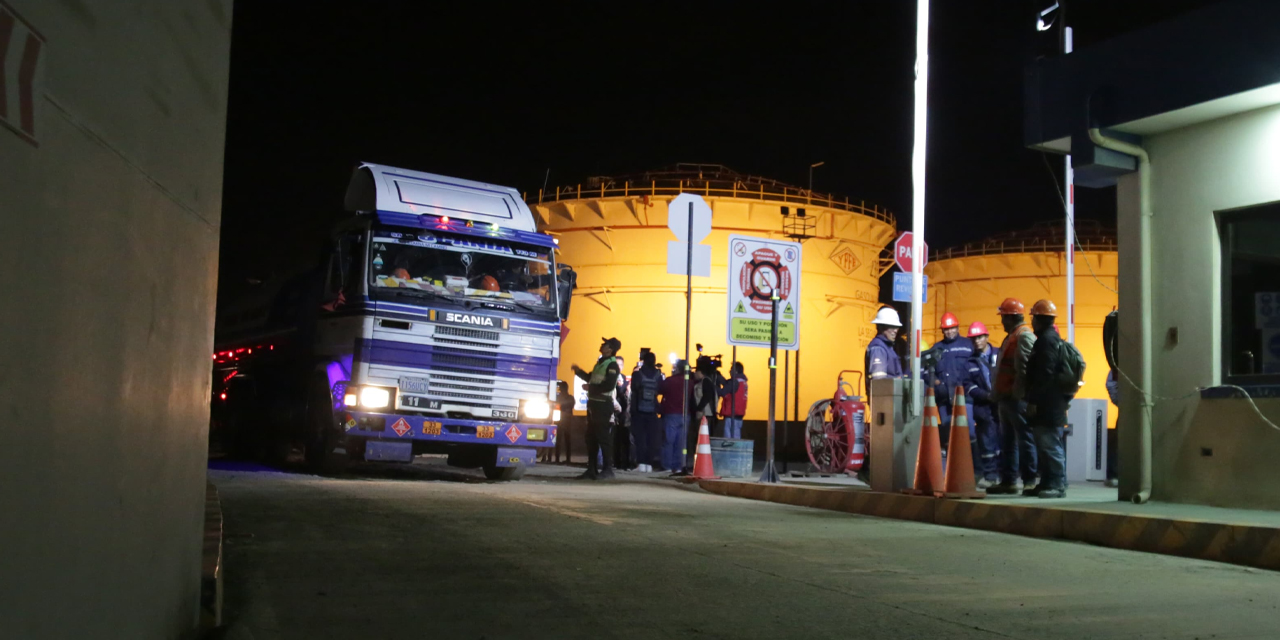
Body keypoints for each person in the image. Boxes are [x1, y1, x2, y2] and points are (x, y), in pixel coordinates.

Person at [987, 298, 1039, 495]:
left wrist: (1020, 394)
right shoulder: (1012, 336)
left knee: (1024, 440)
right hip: (1006, 398)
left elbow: (1026, 369)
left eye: (1003, 317)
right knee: (1008, 441)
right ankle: (1008, 481)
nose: (1001, 321)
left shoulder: (1023, 336)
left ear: (1011, 317)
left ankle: (1029, 480)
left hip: (1016, 399)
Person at [1025, 300, 1070, 499]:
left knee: (1050, 444)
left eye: (1033, 317)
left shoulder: (1047, 341)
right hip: (1050, 402)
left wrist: (1034, 401)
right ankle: (1047, 482)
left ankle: (1057, 484)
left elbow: (1044, 374)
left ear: (1039, 319)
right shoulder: (1047, 339)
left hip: (1048, 404)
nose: (1032, 321)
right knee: (1045, 445)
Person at [570, 337, 622, 480]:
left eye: (605, 344)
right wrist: (579, 372)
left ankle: (607, 470)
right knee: (591, 437)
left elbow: (609, 386)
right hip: (594, 404)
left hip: (602, 405)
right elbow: (592, 378)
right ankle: (591, 470)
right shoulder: (601, 363)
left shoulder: (612, 365)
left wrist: (590, 387)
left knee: (603, 438)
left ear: (610, 349)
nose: (602, 345)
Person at [963, 322, 1001, 488]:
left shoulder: (999, 355)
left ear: (987, 337)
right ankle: (990, 475)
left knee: (1003, 441)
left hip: (1001, 405)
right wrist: (986, 396)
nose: (977, 341)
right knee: (986, 443)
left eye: (979, 337)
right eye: (974, 339)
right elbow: (968, 386)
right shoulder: (970, 362)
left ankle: (1005, 476)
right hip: (983, 407)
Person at [931, 312, 974, 452]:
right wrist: (936, 383)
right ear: (942, 330)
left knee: (968, 432)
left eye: (952, 328)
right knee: (947, 432)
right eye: (946, 329)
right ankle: (951, 467)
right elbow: (928, 371)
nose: (949, 331)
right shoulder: (936, 348)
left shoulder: (968, 345)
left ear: (958, 327)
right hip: (944, 398)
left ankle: (972, 464)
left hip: (965, 397)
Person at [630, 352, 664, 472]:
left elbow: (634, 390)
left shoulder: (637, 374)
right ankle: (649, 464)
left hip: (639, 411)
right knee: (651, 439)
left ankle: (641, 463)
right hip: (652, 411)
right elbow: (660, 390)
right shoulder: (658, 375)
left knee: (640, 438)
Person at [658, 360, 693, 475]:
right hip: (685, 414)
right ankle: (678, 465)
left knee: (669, 441)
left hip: (671, 413)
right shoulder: (690, 382)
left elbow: (659, 390)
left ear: (677, 368)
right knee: (681, 442)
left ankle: (667, 465)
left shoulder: (670, 381)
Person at [865, 306, 906, 396]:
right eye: (892, 326)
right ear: (881, 327)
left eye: (897, 327)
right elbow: (879, 381)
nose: (895, 331)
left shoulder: (887, 347)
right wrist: (898, 380)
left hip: (890, 398)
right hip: (884, 399)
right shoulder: (878, 348)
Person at [612, 356, 633, 470]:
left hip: (624, 413)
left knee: (625, 439)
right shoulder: (610, 377)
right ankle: (616, 462)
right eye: (616, 364)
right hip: (613, 412)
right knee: (615, 439)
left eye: (620, 364)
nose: (618, 367)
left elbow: (626, 396)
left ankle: (625, 462)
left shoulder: (625, 379)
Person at [719, 362, 748, 439]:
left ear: (736, 371)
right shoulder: (742, 382)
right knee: (736, 439)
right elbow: (729, 386)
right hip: (738, 415)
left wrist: (713, 387)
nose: (729, 371)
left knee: (729, 441)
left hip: (731, 416)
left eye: (731, 369)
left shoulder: (735, 382)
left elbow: (723, 392)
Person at [1105, 368, 1120, 487]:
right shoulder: (1120, 365)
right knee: (1119, 442)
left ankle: (1114, 474)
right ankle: (1114, 474)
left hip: (1125, 407)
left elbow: (1110, 383)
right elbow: (1111, 382)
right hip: (1126, 408)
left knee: (1118, 442)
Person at [553, 381, 574, 463]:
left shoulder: (561, 398)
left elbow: (559, 406)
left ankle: (558, 458)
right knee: (566, 440)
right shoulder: (570, 398)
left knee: (560, 439)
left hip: (562, 420)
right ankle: (566, 458)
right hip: (566, 420)